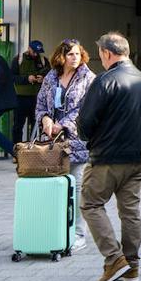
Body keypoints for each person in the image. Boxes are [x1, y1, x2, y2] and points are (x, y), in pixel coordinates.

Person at [76, 32, 141, 281]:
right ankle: (132, 267)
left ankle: (114, 259)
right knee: (130, 211)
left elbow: (86, 122)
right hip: (137, 157)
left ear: (108, 53)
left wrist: (86, 136)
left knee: (90, 204)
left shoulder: (104, 81)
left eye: (100, 53)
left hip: (107, 157)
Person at [36, 39, 95, 252]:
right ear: (62, 56)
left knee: (78, 186)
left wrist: (62, 124)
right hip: (52, 141)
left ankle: (79, 234)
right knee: (54, 186)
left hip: (76, 140)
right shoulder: (51, 77)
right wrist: (45, 120)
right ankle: (56, 229)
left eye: (78, 54)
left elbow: (87, 108)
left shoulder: (88, 78)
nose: (75, 58)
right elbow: (41, 103)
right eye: (71, 54)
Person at [10, 40, 47, 149]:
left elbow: (51, 75)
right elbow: (12, 77)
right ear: (29, 48)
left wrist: (43, 79)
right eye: (34, 51)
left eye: (38, 52)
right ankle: (16, 152)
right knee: (17, 126)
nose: (36, 54)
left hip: (36, 98)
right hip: (20, 98)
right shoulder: (18, 59)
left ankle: (34, 150)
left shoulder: (43, 60)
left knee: (36, 125)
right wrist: (27, 78)